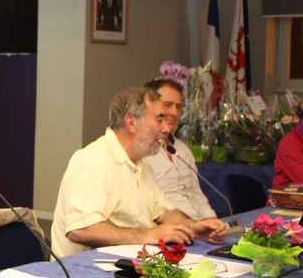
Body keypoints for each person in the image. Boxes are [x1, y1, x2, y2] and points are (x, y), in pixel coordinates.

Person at [51, 86, 226, 258]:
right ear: (131, 123)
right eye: (159, 119)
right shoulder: (94, 161)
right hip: (82, 271)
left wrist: (192, 227)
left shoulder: (140, 162)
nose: (166, 129)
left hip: (125, 263)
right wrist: (148, 235)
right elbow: (80, 229)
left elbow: (163, 212)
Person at [143, 78, 221, 220]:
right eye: (167, 105)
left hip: (198, 224)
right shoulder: (141, 152)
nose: (174, 112)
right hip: (169, 227)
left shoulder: (182, 149)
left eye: (178, 107)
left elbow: (197, 195)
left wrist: (212, 221)